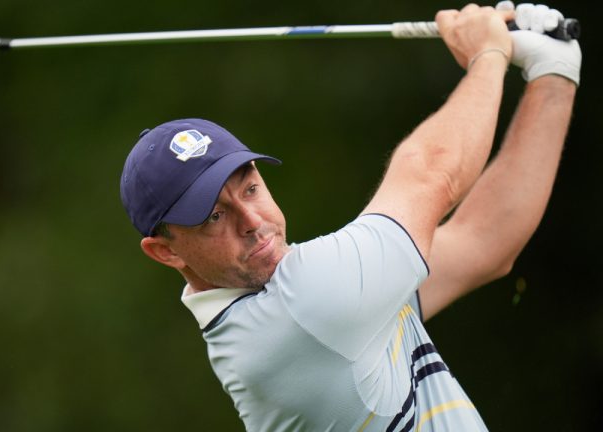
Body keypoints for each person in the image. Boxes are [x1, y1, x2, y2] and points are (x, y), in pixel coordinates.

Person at [119, 2, 580, 430]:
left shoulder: (323, 307)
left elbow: (485, 241)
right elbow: (429, 172)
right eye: (213, 216)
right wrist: (489, 53)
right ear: (165, 252)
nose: (252, 220)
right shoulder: (300, 310)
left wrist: (554, 73)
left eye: (251, 188)